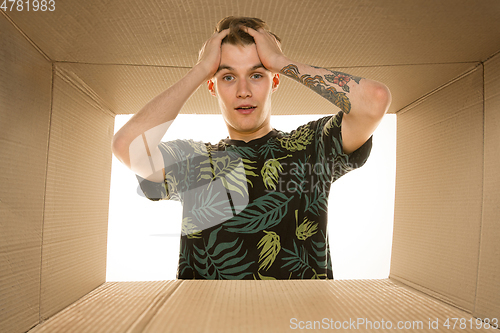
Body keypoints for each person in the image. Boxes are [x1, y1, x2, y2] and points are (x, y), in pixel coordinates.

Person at [111, 16, 391, 280]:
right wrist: (199, 70)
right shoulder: (194, 160)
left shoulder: (312, 145)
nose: (243, 90)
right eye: (228, 77)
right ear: (212, 86)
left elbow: (375, 100)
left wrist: (280, 61)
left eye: (257, 75)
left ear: (275, 80)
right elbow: (127, 145)